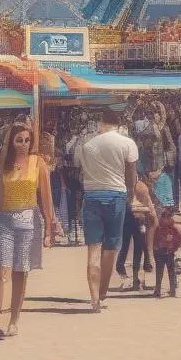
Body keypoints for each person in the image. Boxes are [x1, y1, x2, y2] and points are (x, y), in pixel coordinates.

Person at [0, 121, 54, 338]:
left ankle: (14, 320)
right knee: (1, 270)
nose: (24, 144)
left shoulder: (38, 164)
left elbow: (46, 198)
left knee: (20, 271)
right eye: (19, 140)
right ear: (11, 141)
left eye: (27, 140)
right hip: (5, 220)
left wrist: (49, 227)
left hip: (28, 221)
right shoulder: (3, 163)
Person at [75, 106, 139, 312]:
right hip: (116, 196)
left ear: (101, 123)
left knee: (93, 250)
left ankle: (94, 298)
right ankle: (102, 292)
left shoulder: (88, 145)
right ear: (118, 124)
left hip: (92, 196)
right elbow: (131, 174)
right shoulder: (128, 143)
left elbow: (82, 172)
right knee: (111, 248)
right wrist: (131, 196)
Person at [153, 206, 181, 297]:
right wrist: (175, 247)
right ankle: (170, 290)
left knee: (162, 271)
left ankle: (160, 290)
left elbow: (154, 239)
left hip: (163, 251)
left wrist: (155, 248)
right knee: (169, 271)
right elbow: (179, 235)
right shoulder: (171, 226)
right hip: (167, 251)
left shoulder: (160, 226)